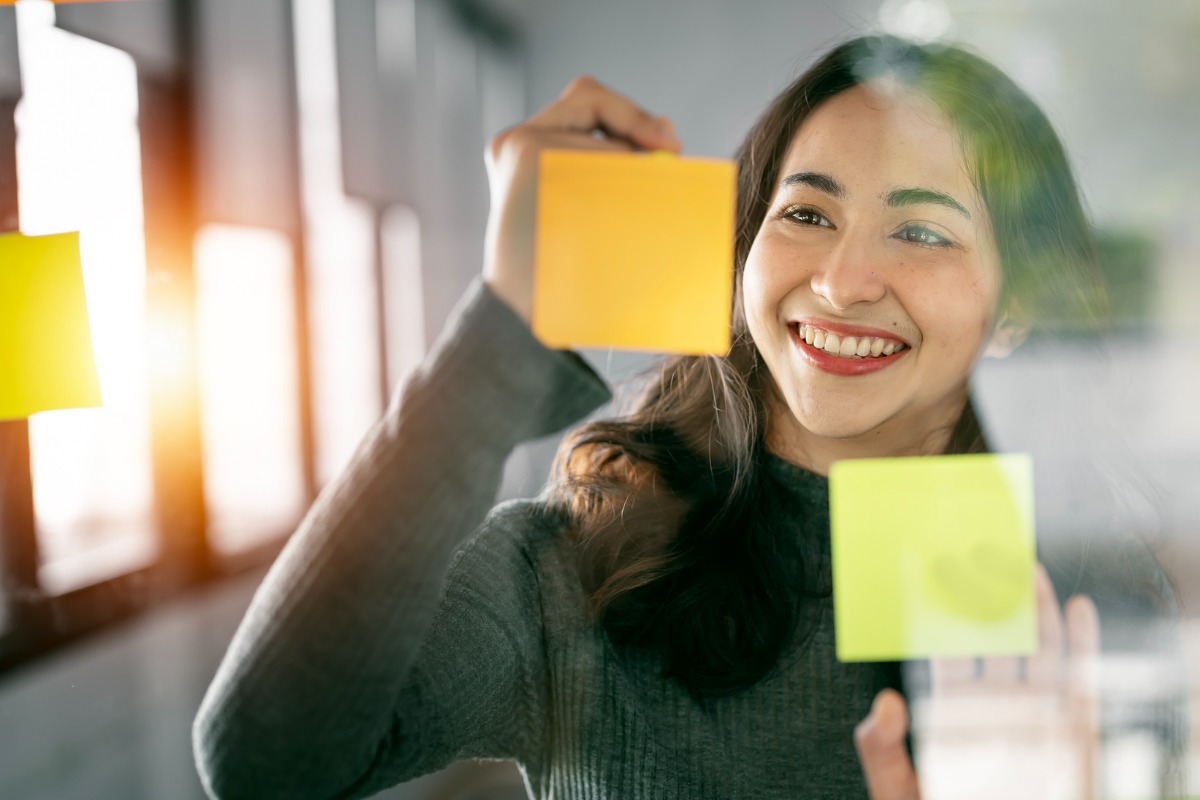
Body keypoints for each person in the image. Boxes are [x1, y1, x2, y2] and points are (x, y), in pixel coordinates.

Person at [193, 35, 1181, 799]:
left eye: (921, 230)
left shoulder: (1089, 588)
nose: (841, 281)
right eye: (806, 212)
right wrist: (504, 324)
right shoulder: (589, 555)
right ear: (744, 249)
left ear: (1017, 307)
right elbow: (265, 761)